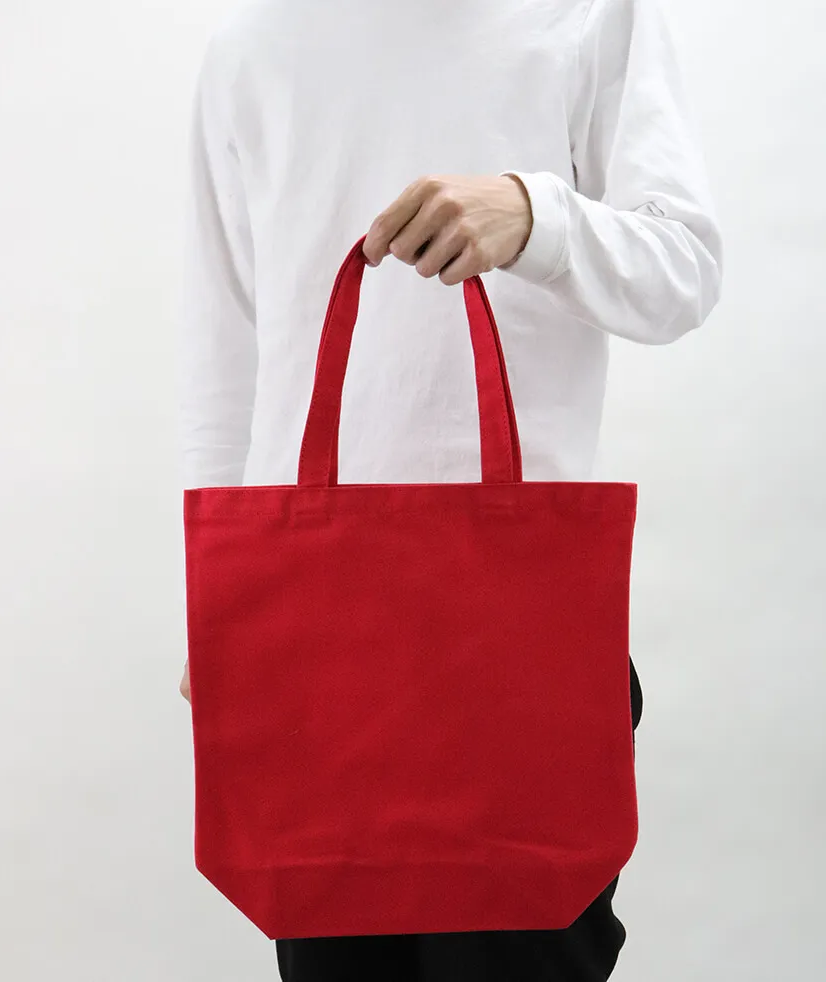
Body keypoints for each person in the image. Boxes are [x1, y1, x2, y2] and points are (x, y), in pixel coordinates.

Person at [177, 0, 721, 978]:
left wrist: (537, 216)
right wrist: (216, 606)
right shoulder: (251, 49)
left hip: (522, 645)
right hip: (314, 645)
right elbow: (230, 352)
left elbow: (685, 267)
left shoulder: (589, 15)